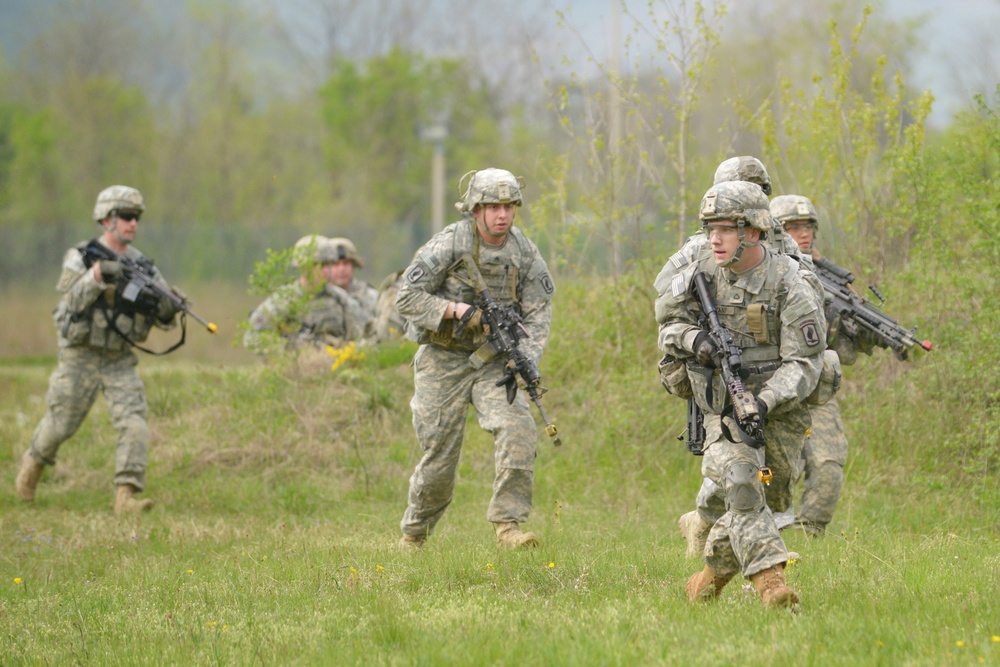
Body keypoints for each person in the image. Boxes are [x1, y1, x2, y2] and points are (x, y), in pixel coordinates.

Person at [655, 180, 827, 608]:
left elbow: (805, 363)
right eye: (710, 227)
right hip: (718, 404)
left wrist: (764, 401)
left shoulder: (791, 282)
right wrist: (697, 342)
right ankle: (772, 584)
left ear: (752, 231)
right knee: (742, 479)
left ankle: (709, 577)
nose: (713, 238)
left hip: (779, 407)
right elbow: (668, 327)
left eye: (725, 228)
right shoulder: (697, 273)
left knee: (770, 500)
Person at [396, 168, 555, 550]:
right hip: (442, 357)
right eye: (493, 207)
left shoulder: (524, 252)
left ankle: (508, 527)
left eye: (508, 206)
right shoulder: (450, 243)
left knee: (518, 429)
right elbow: (407, 296)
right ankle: (414, 534)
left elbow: (539, 311)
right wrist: (456, 310)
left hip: (493, 361)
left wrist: (525, 357)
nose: (502, 215)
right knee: (439, 458)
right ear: (475, 210)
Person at [15, 185, 180, 514]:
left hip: (118, 358)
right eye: (127, 217)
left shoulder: (144, 268)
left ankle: (126, 496)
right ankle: (33, 465)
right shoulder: (81, 256)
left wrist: (167, 309)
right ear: (107, 219)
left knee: (134, 423)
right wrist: (95, 277)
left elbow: (164, 317)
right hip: (81, 355)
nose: (134, 224)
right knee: (61, 423)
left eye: (137, 218)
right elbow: (70, 299)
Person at [769, 194, 873, 536]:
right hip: (772, 388)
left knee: (829, 466)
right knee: (775, 472)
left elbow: (841, 350)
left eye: (808, 226)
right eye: (793, 227)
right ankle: (751, 536)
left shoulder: (827, 280)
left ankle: (808, 538)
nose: (804, 233)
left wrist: (856, 330)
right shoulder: (763, 274)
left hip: (817, 389)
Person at [243, 235, 372, 353]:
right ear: (305, 267)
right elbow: (253, 337)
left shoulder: (340, 298)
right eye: (321, 265)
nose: (327, 270)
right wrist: (288, 351)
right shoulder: (285, 299)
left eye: (329, 265)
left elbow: (363, 333)